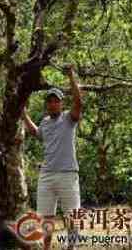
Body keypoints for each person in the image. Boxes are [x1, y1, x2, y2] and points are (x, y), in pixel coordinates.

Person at [21, 65, 83, 250]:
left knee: (72, 216)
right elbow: (35, 132)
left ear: (61, 103)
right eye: (49, 101)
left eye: (56, 101)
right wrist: (23, 114)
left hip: (67, 174)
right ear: (47, 104)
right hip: (47, 175)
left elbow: (79, 103)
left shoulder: (68, 119)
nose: (52, 104)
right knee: (46, 216)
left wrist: (71, 77)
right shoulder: (45, 123)